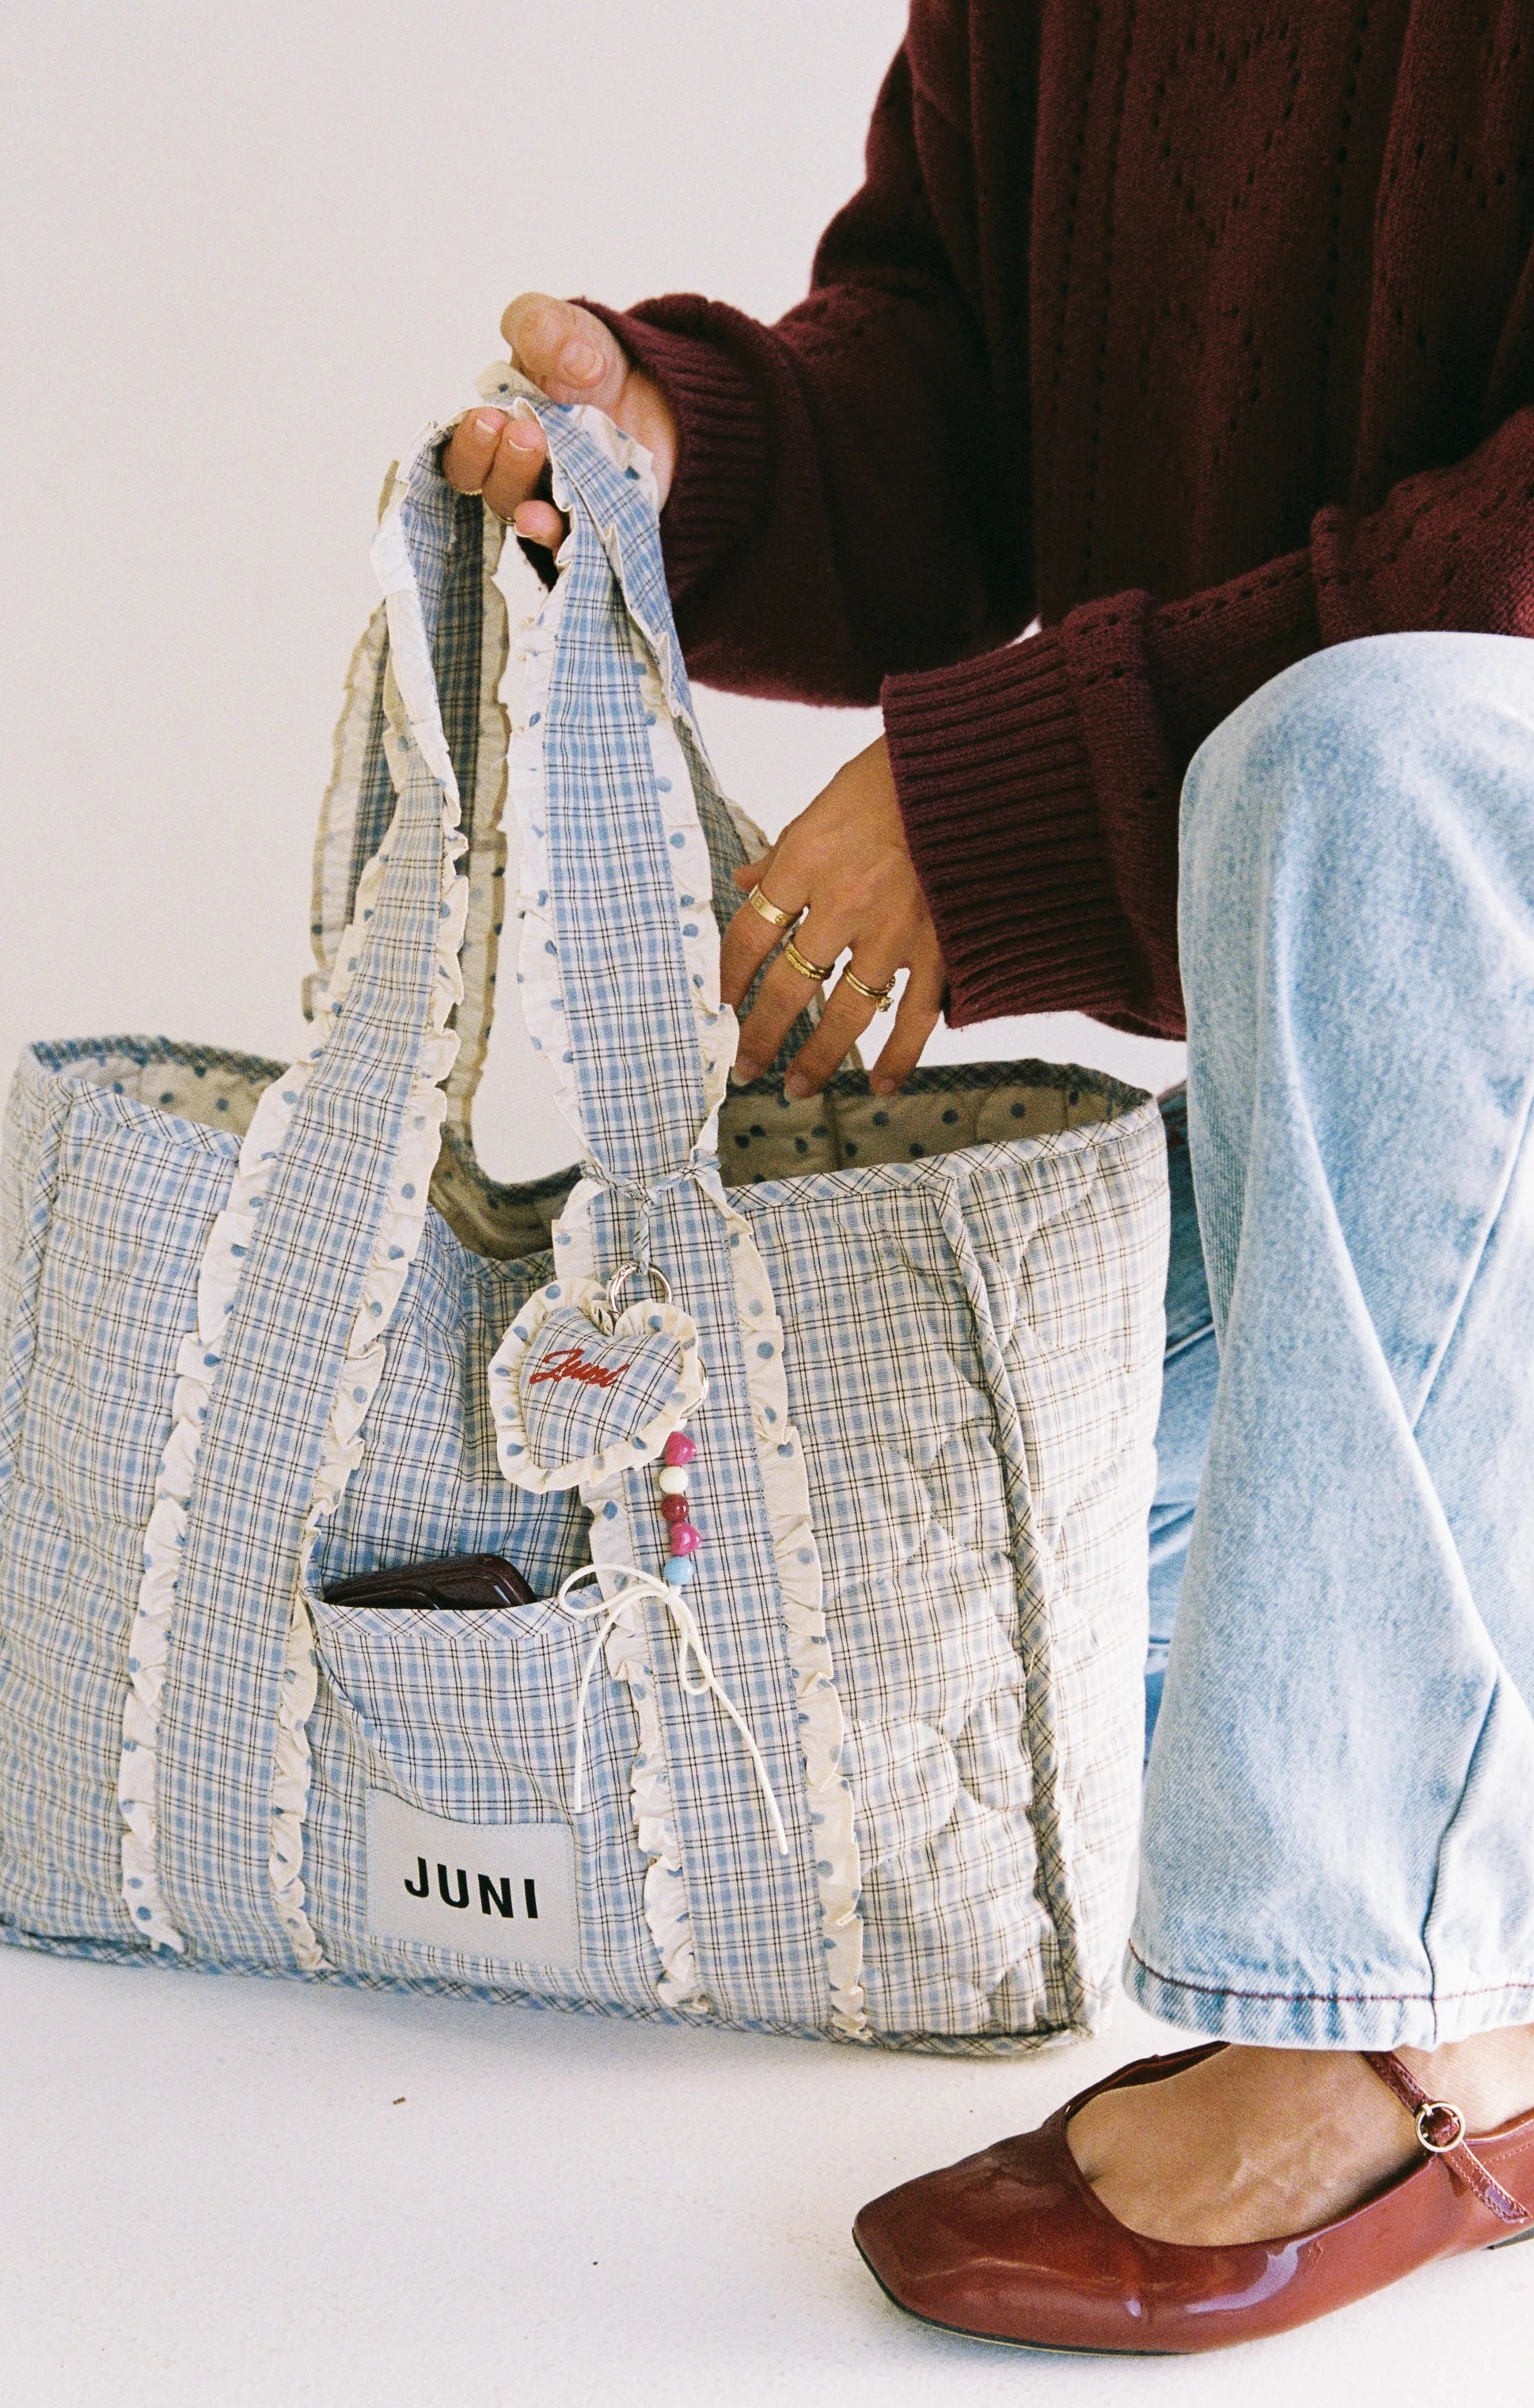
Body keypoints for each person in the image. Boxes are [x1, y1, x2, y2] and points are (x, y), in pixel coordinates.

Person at [444, 1, 1534, 2353]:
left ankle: (1397, 2008)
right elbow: (960, 364)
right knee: (866, 1581)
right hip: (1410, 1127)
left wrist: (1015, 784)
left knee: (1376, 760)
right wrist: (684, 449)